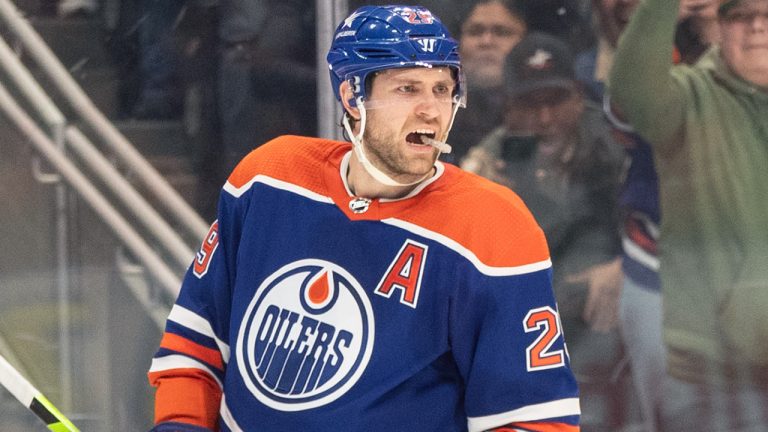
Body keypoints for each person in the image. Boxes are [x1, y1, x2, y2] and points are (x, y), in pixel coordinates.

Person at [147, 5, 581, 431]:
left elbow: (534, 419)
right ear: (352, 96)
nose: (431, 110)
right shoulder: (268, 181)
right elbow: (195, 343)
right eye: (408, 88)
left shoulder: (491, 227)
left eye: (442, 89)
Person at [609, 0, 768, 429]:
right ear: (721, 27)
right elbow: (633, 88)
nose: (756, 27)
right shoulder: (689, 95)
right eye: (740, 16)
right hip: (717, 377)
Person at [461, 32, 625, 430]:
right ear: (507, 107)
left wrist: (624, 267)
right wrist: (480, 199)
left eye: (555, 100)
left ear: (578, 95)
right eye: (530, 105)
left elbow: (663, 222)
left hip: (611, 314)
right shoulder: (487, 164)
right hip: (537, 318)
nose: (545, 118)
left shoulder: (614, 144)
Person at [447, 0, 529, 164]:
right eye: (475, 32)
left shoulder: (545, 107)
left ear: (525, 42)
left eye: (501, 32)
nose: (487, 41)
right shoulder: (437, 107)